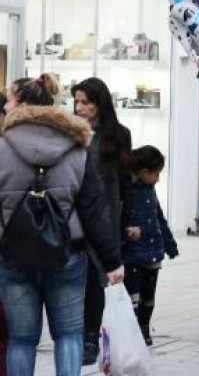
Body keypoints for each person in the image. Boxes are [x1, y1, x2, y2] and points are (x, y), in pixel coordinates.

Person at [0, 75, 124, 375]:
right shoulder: (77, 148)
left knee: (21, 339)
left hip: (13, 254)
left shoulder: (3, 147)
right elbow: (94, 209)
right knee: (69, 335)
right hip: (68, 253)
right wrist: (112, 260)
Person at [72, 76, 134, 365]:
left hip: (107, 211)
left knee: (99, 276)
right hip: (74, 212)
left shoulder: (118, 135)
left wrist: (128, 219)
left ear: (99, 104)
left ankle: (92, 336)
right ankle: (82, 332)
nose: (79, 107)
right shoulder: (70, 132)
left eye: (85, 102)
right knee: (80, 275)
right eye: (77, 101)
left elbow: (125, 180)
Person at [122, 145, 178, 345]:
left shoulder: (149, 189)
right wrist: (126, 231)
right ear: (144, 172)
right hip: (132, 255)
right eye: (157, 173)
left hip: (153, 253)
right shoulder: (126, 189)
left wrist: (170, 245)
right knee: (133, 297)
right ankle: (134, 332)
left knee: (149, 298)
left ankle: (145, 327)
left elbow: (159, 218)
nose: (158, 178)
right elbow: (118, 218)